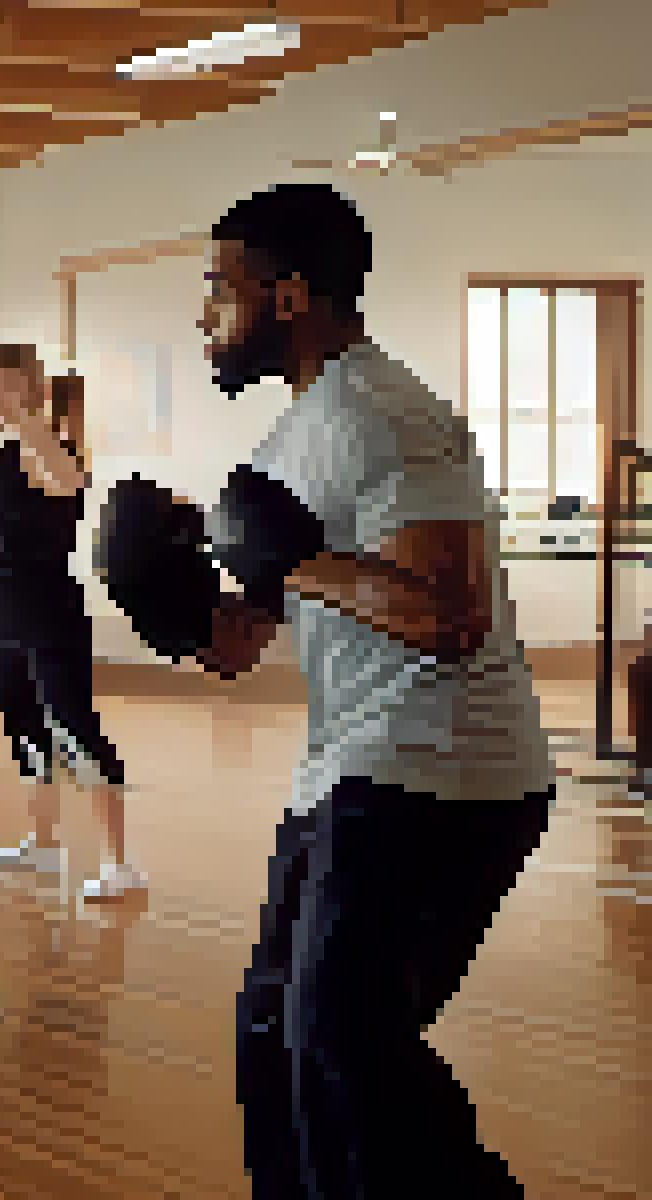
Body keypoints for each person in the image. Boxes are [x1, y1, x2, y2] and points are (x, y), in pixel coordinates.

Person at [186, 184, 553, 1198]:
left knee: (343, 1049)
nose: (203, 315)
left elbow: (448, 616)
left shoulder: (385, 413)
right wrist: (176, 605)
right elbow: (238, 646)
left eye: (221, 289)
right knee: (276, 1044)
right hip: (351, 768)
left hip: (444, 772)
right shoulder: (290, 438)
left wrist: (295, 559)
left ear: (290, 295)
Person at [0, 348, 144, 901]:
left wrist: (26, 417)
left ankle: (121, 863)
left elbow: (69, 483)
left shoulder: (52, 448)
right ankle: (42, 844)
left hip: (48, 613)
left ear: (23, 388)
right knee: (25, 727)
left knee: (75, 728)